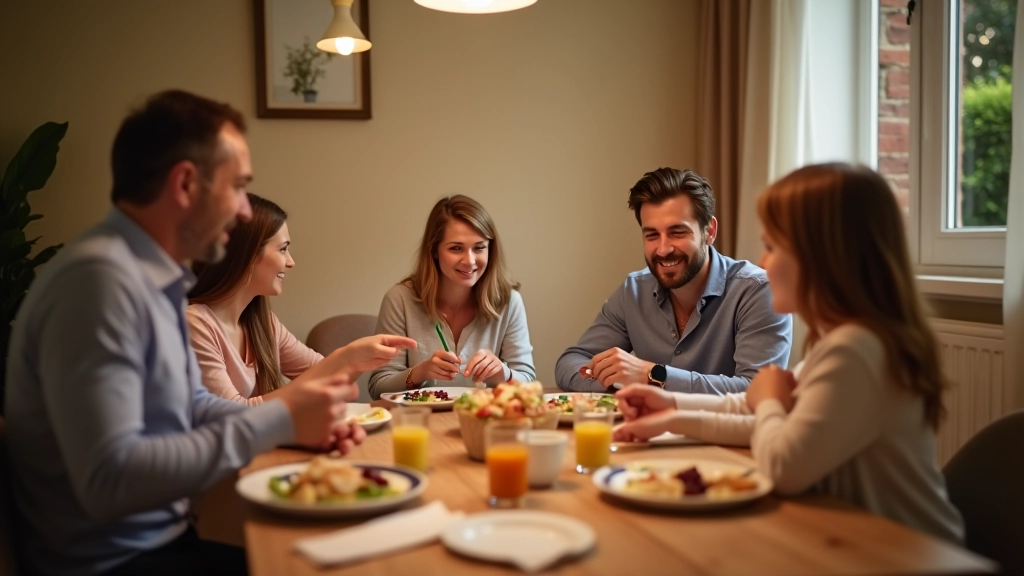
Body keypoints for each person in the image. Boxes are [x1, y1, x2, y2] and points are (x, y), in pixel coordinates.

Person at [4, 90, 394, 576]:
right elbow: (110, 480)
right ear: (186, 184)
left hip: (166, 541)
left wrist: (295, 427)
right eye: (238, 187)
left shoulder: (154, 280)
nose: (245, 212)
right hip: (115, 563)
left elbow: (193, 406)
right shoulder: (99, 284)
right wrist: (280, 420)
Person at [613, 163, 964, 542]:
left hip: (910, 551)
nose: (764, 263)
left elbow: (783, 466)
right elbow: (768, 422)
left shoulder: (857, 351)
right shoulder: (842, 342)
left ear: (823, 256)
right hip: (864, 541)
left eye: (773, 247)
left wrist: (768, 402)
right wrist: (670, 410)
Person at [555, 167, 792, 394]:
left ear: (709, 231)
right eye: (652, 235)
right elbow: (570, 362)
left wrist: (653, 376)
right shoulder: (633, 292)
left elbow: (757, 390)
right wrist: (619, 382)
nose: (663, 249)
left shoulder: (758, 291)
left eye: (677, 232)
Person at [187, 193, 415, 404]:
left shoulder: (263, 323)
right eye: (282, 249)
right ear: (246, 254)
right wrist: (346, 357)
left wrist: (355, 358)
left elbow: (328, 378)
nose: (291, 262)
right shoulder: (194, 324)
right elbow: (232, 416)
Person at [368, 195, 535, 399]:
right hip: (420, 419)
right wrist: (419, 373)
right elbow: (378, 388)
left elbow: (528, 381)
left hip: (484, 417)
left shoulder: (509, 302)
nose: (470, 261)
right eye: (456, 248)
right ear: (434, 250)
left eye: (479, 248)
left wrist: (504, 373)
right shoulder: (400, 300)